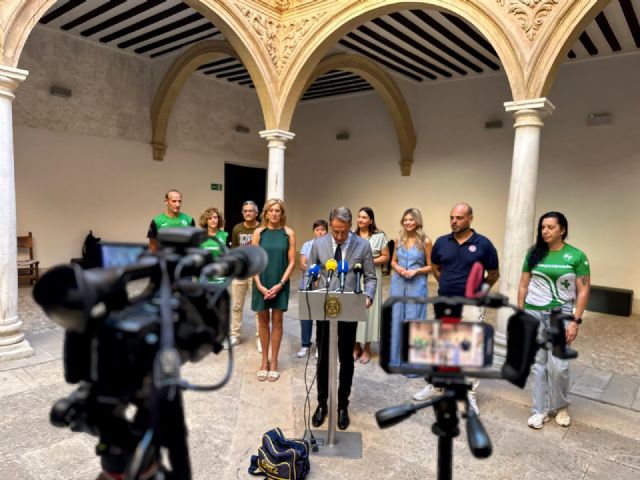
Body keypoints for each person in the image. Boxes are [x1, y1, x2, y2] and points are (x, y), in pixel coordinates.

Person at [413, 203, 499, 415]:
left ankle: (468, 393)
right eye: (452, 217)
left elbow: (493, 273)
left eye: (459, 218)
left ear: (470, 219)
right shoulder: (442, 242)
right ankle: (437, 385)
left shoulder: (483, 244)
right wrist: (445, 284)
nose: (454, 221)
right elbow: (435, 267)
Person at [518, 211, 590, 429]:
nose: (545, 231)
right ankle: (539, 410)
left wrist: (575, 321)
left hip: (561, 316)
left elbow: (584, 291)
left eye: (550, 227)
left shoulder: (576, 256)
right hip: (534, 312)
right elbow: (523, 285)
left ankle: (560, 406)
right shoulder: (534, 254)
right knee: (538, 364)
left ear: (562, 230)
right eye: (543, 227)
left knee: (559, 367)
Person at [308, 207, 376, 430]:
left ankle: (342, 406)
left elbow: (371, 277)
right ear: (330, 225)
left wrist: (368, 296)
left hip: (349, 310)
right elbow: (310, 270)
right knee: (323, 359)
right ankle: (322, 403)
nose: (339, 236)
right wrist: (312, 283)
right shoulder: (318, 244)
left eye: (343, 232)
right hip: (324, 308)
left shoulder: (362, 246)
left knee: (346, 359)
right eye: (335, 231)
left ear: (350, 227)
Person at [252, 199, 296, 382]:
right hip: (261, 281)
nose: (274, 213)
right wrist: (259, 285)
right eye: (271, 210)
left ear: (282, 213)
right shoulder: (258, 233)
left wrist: (281, 284)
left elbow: (292, 262)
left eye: (278, 210)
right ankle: (264, 361)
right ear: (266, 213)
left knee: (277, 321)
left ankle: (275, 362)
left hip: (280, 282)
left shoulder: (288, 233)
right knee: (263, 322)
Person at [389, 208, 432, 366]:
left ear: (417, 222)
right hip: (398, 283)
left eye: (411, 219)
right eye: (406, 219)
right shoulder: (398, 239)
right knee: (397, 319)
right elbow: (393, 261)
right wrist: (398, 267)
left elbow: (431, 266)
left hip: (417, 284)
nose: (408, 222)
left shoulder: (426, 241)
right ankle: (395, 360)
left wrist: (417, 271)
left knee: (414, 320)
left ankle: (412, 364)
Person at [353, 207, 389, 364]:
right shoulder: (352, 236)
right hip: (355, 276)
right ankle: (355, 346)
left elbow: (385, 257)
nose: (360, 220)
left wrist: (368, 262)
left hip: (373, 276)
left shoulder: (379, 236)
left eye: (364, 217)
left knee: (370, 311)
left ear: (371, 220)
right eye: (359, 216)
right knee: (355, 311)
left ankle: (367, 348)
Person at [230, 201, 261, 349]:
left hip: (256, 272)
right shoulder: (237, 228)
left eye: (251, 210)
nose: (248, 213)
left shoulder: (262, 228)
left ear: (256, 213)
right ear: (242, 213)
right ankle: (234, 335)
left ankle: (260, 337)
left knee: (258, 307)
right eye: (245, 211)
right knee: (236, 305)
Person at [297, 219, 328, 358]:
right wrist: (314, 274)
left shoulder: (330, 246)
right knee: (306, 315)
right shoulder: (307, 245)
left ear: (327, 231)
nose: (320, 232)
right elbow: (302, 263)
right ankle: (305, 344)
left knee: (322, 316)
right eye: (317, 230)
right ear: (314, 231)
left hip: (323, 284)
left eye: (322, 229)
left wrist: (320, 276)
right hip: (307, 282)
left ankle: (320, 346)